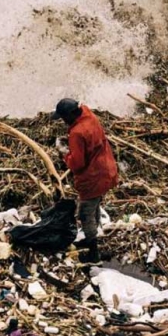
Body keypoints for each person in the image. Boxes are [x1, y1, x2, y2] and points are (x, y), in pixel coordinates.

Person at [52, 98, 118, 262]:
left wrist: (64, 153)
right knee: (94, 206)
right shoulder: (89, 115)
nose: (63, 121)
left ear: (70, 115)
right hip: (107, 169)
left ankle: (93, 253)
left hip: (93, 177)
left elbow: (78, 164)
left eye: (63, 117)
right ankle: (94, 237)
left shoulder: (77, 133)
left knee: (85, 213)